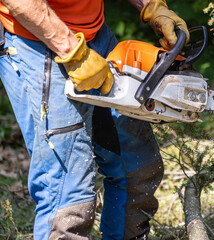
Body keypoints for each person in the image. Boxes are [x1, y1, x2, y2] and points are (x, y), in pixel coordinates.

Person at [0, 0, 189, 239]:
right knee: (68, 193)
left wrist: (151, 5)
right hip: (35, 39)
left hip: (94, 32)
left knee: (137, 166)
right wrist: (71, 50)